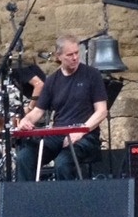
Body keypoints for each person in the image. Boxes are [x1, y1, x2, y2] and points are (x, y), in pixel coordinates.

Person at [16, 34, 108, 181]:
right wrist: (26, 120)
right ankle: (28, 201)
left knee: (62, 164)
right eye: (69, 55)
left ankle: (67, 202)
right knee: (24, 158)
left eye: (77, 53)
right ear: (59, 56)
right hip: (58, 135)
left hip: (85, 135)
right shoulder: (52, 81)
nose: (75, 58)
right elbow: (38, 111)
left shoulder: (92, 75)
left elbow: (102, 111)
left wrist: (80, 131)